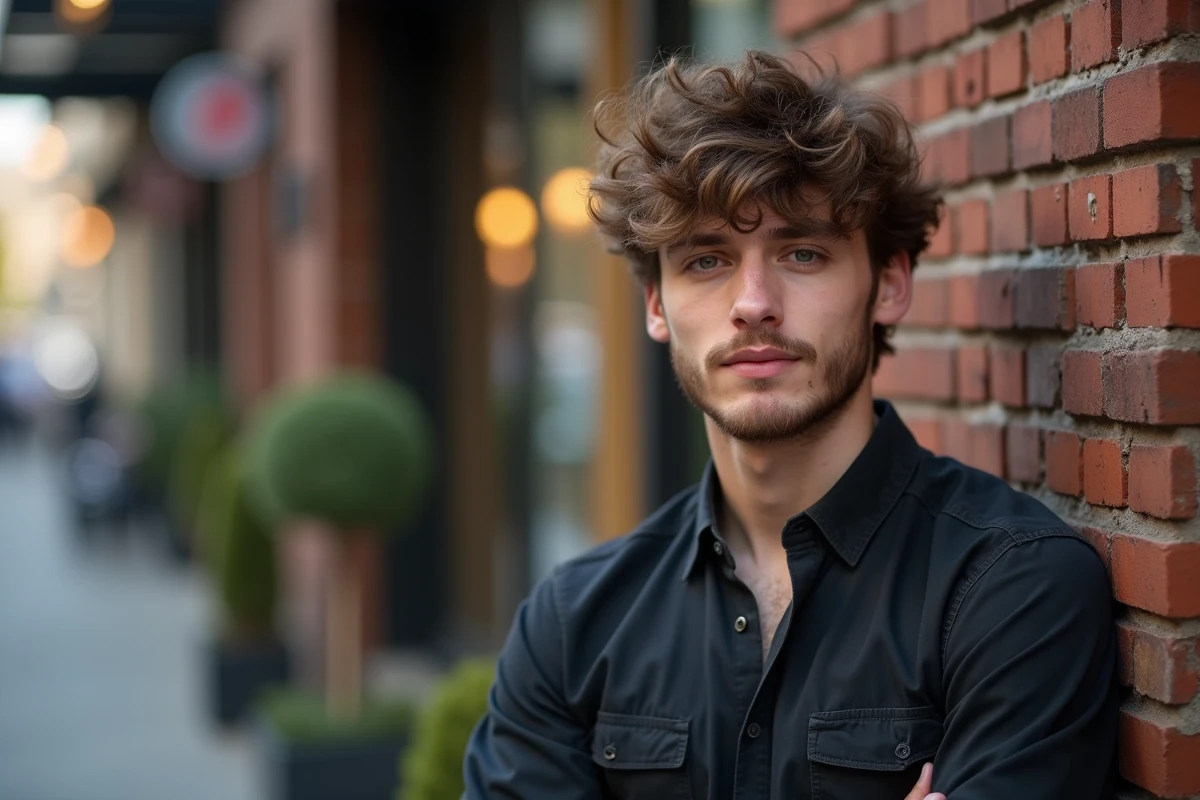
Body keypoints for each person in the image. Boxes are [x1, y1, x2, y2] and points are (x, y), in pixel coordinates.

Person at [463, 50, 1119, 799]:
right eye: (706, 260)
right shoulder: (571, 625)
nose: (753, 302)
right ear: (655, 305)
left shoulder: (1013, 589)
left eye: (803, 252)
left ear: (890, 283)